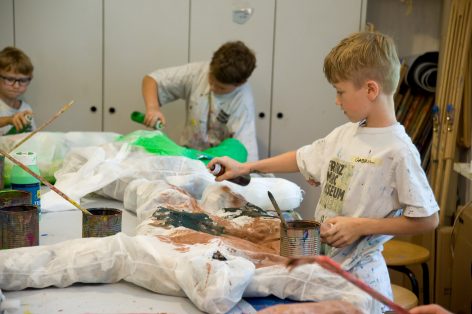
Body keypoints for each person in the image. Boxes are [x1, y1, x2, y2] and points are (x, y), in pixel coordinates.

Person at [208, 31, 439, 312]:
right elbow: (302, 157)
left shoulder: (397, 151)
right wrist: (246, 167)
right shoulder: (346, 134)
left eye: (340, 92)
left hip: (361, 280)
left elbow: (428, 219)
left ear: (370, 89)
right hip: (326, 267)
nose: (336, 101)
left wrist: (361, 226)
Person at [142, 40, 259, 161]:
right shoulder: (198, 72)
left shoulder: (243, 103)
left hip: (218, 165)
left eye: (221, 87)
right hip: (188, 156)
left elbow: (245, 156)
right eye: (211, 80)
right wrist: (152, 108)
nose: (212, 88)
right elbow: (152, 80)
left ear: (239, 84)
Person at [0, 46, 36, 135]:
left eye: (23, 80)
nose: (16, 86)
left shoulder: (26, 108)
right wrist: (9, 120)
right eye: (9, 79)